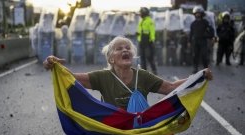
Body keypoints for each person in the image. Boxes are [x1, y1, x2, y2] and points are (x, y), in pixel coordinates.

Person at [43, 36, 213, 110]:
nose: (125, 50)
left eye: (128, 48)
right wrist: (53, 65)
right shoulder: (102, 77)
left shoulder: (143, 76)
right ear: (111, 59)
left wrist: (199, 76)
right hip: (112, 130)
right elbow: (71, 78)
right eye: (119, 49)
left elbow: (170, 87)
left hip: (138, 130)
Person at [189, 6, 214, 73]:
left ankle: (206, 68)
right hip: (195, 41)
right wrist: (189, 41)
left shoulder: (205, 22)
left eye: (199, 13)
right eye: (196, 13)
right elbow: (191, 33)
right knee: (195, 55)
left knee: (204, 55)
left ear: (202, 14)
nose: (198, 14)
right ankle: (195, 68)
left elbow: (211, 30)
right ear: (194, 14)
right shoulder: (193, 24)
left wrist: (210, 37)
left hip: (203, 41)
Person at [136, 7, 157, 75]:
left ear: (144, 13)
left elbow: (152, 31)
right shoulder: (142, 20)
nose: (140, 14)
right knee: (142, 57)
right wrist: (137, 33)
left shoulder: (149, 21)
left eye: (141, 13)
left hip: (148, 42)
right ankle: (144, 72)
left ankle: (154, 71)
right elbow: (140, 30)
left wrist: (152, 40)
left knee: (149, 57)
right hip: (141, 41)